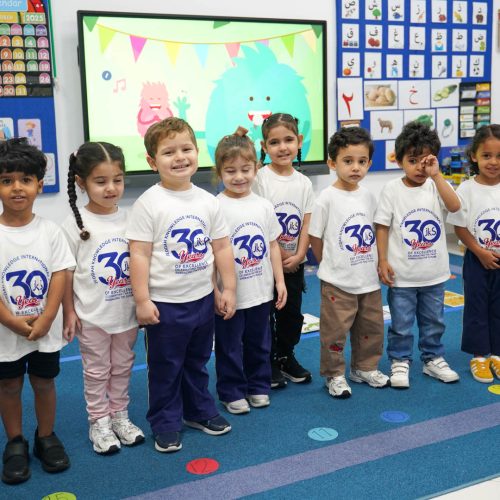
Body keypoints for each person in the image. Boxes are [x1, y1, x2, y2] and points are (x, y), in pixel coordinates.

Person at [126, 117, 236, 453]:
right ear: (152, 161)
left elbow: (221, 248)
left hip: (202, 300)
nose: (179, 157)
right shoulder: (148, 203)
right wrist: (142, 300)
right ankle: (165, 421)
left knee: (197, 361)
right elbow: (139, 255)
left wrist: (227, 289)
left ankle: (198, 411)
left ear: (197, 152)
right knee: (166, 367)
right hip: (166, 305)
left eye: (186, 149)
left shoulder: (208, 200)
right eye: (168, 152)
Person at [61, 142, 145, 455]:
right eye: (101, 181)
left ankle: (120, 415)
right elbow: (66, 273)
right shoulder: (73, 224)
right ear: (81, 182)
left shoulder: (132, 218)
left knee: (122, 366)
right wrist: (69, 312)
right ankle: (99, 421)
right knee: (96, 371)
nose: (111, 188)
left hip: (126, 312)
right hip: (92, 316)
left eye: (117, 180)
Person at [0, 138, 74, 484]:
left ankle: (46, 436)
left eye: (25, 180)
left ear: (39, 185)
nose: (17, 187)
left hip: (45, 328)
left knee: (44, 382)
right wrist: (10, 321)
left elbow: (60, 274)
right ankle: (15, 442)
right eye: (7, 180)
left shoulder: (51, 231)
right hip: (6, 330)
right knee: (9, 385)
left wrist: (47, 318)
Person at [374, 121, 461, 388]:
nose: (419, 168)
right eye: (412, 161)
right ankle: (400, 360)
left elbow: (454, 206)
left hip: (434, 274)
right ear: (399, 160)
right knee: (401, 323)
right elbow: (382, 226)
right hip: (402, 275)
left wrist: (437, 176)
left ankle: (432, 358)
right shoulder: (392, 189)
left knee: (434, 321)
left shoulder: (436, 185)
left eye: (425, 161)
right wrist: (383, 260)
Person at [309, 127, 390, 398]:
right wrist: (327, 264)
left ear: (369, 163)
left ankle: (364, 368)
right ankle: (334, 374)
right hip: (338, 282)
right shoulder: (326, 198)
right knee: (335, 332)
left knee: (371, 328)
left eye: (362, 161)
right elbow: (315, 237)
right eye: (348, 161)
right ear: (332, 163)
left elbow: (374, 231)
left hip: (367, 279)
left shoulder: (368, 195)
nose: (356, 167)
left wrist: (379, 262)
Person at [213, 127, 287, 414]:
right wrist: (216, 290)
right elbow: (211, 254)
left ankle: (258, 385)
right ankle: (231, 391)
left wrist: (279, 282)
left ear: (256, 168)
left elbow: (273, 245)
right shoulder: (215, 206)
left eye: (245, 169)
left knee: (259, 342)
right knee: (229, 345)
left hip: (260, 292)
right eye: (230, 171)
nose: (239, 177)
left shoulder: (264, 205)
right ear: (219, 172)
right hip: (231, 296)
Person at [253, 113, 314, 389]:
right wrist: (280, 257)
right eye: (274, 142)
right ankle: (265, 361)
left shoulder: (304, 183)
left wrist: (300, 255)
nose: (282, 147)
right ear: (264, 147)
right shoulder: (259, 179)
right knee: (265, 315)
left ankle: (285, 355)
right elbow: (258, 222)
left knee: (291, 314)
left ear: (299, 141)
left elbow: (306, 223)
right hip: (265, 263)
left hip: (293, 263)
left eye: (288, 140)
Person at [447, 124, 500, 383]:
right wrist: (479, 251)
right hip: (477, 259)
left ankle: (497, 355)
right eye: (487, 155)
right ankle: (479, 356)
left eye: (499, 156)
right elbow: (459, 226)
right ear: (474, 156)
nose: (493, 162)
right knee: (477, 306)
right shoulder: (466, 189)